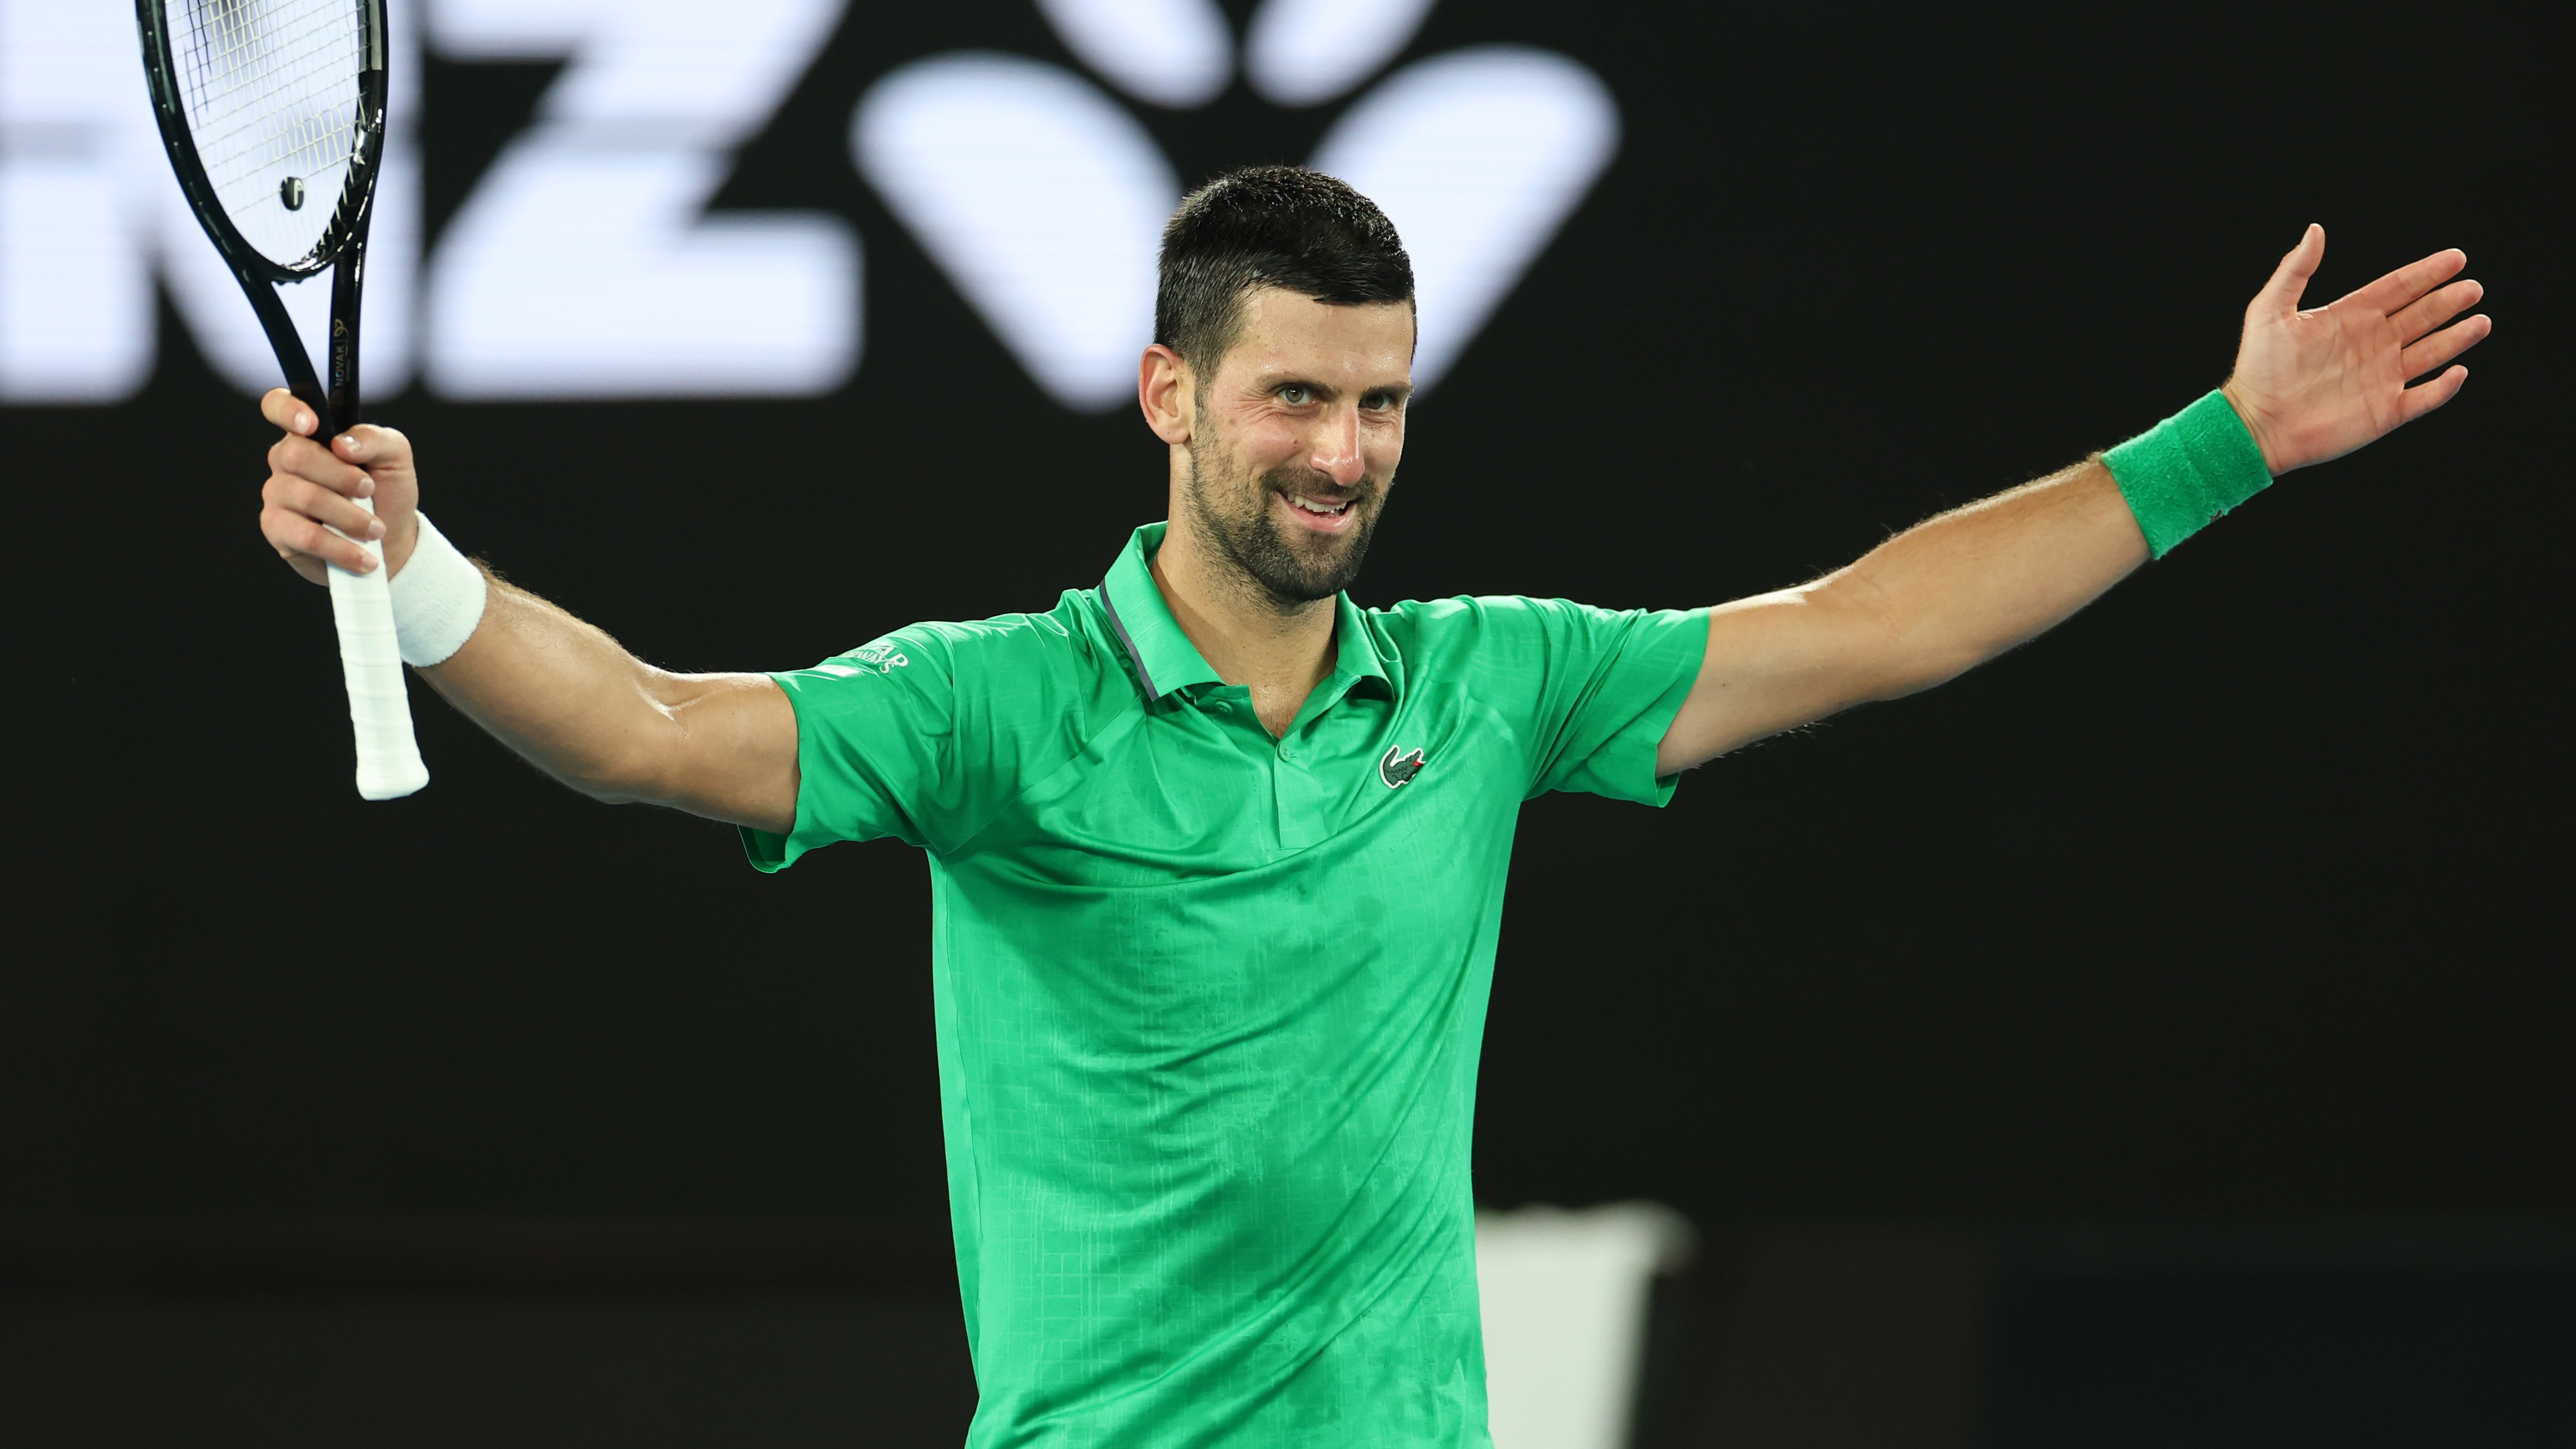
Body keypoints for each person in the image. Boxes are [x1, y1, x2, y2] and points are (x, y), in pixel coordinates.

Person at [254, 167, 2488, 1444]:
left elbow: (1871, 623)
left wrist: (2224, 446)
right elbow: (645, 724)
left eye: (1385, 399)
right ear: (1171, 396)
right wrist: (424, 575)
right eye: (1298, 396)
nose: (1345, 446)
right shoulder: (993, 710)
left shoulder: (1498, 685)